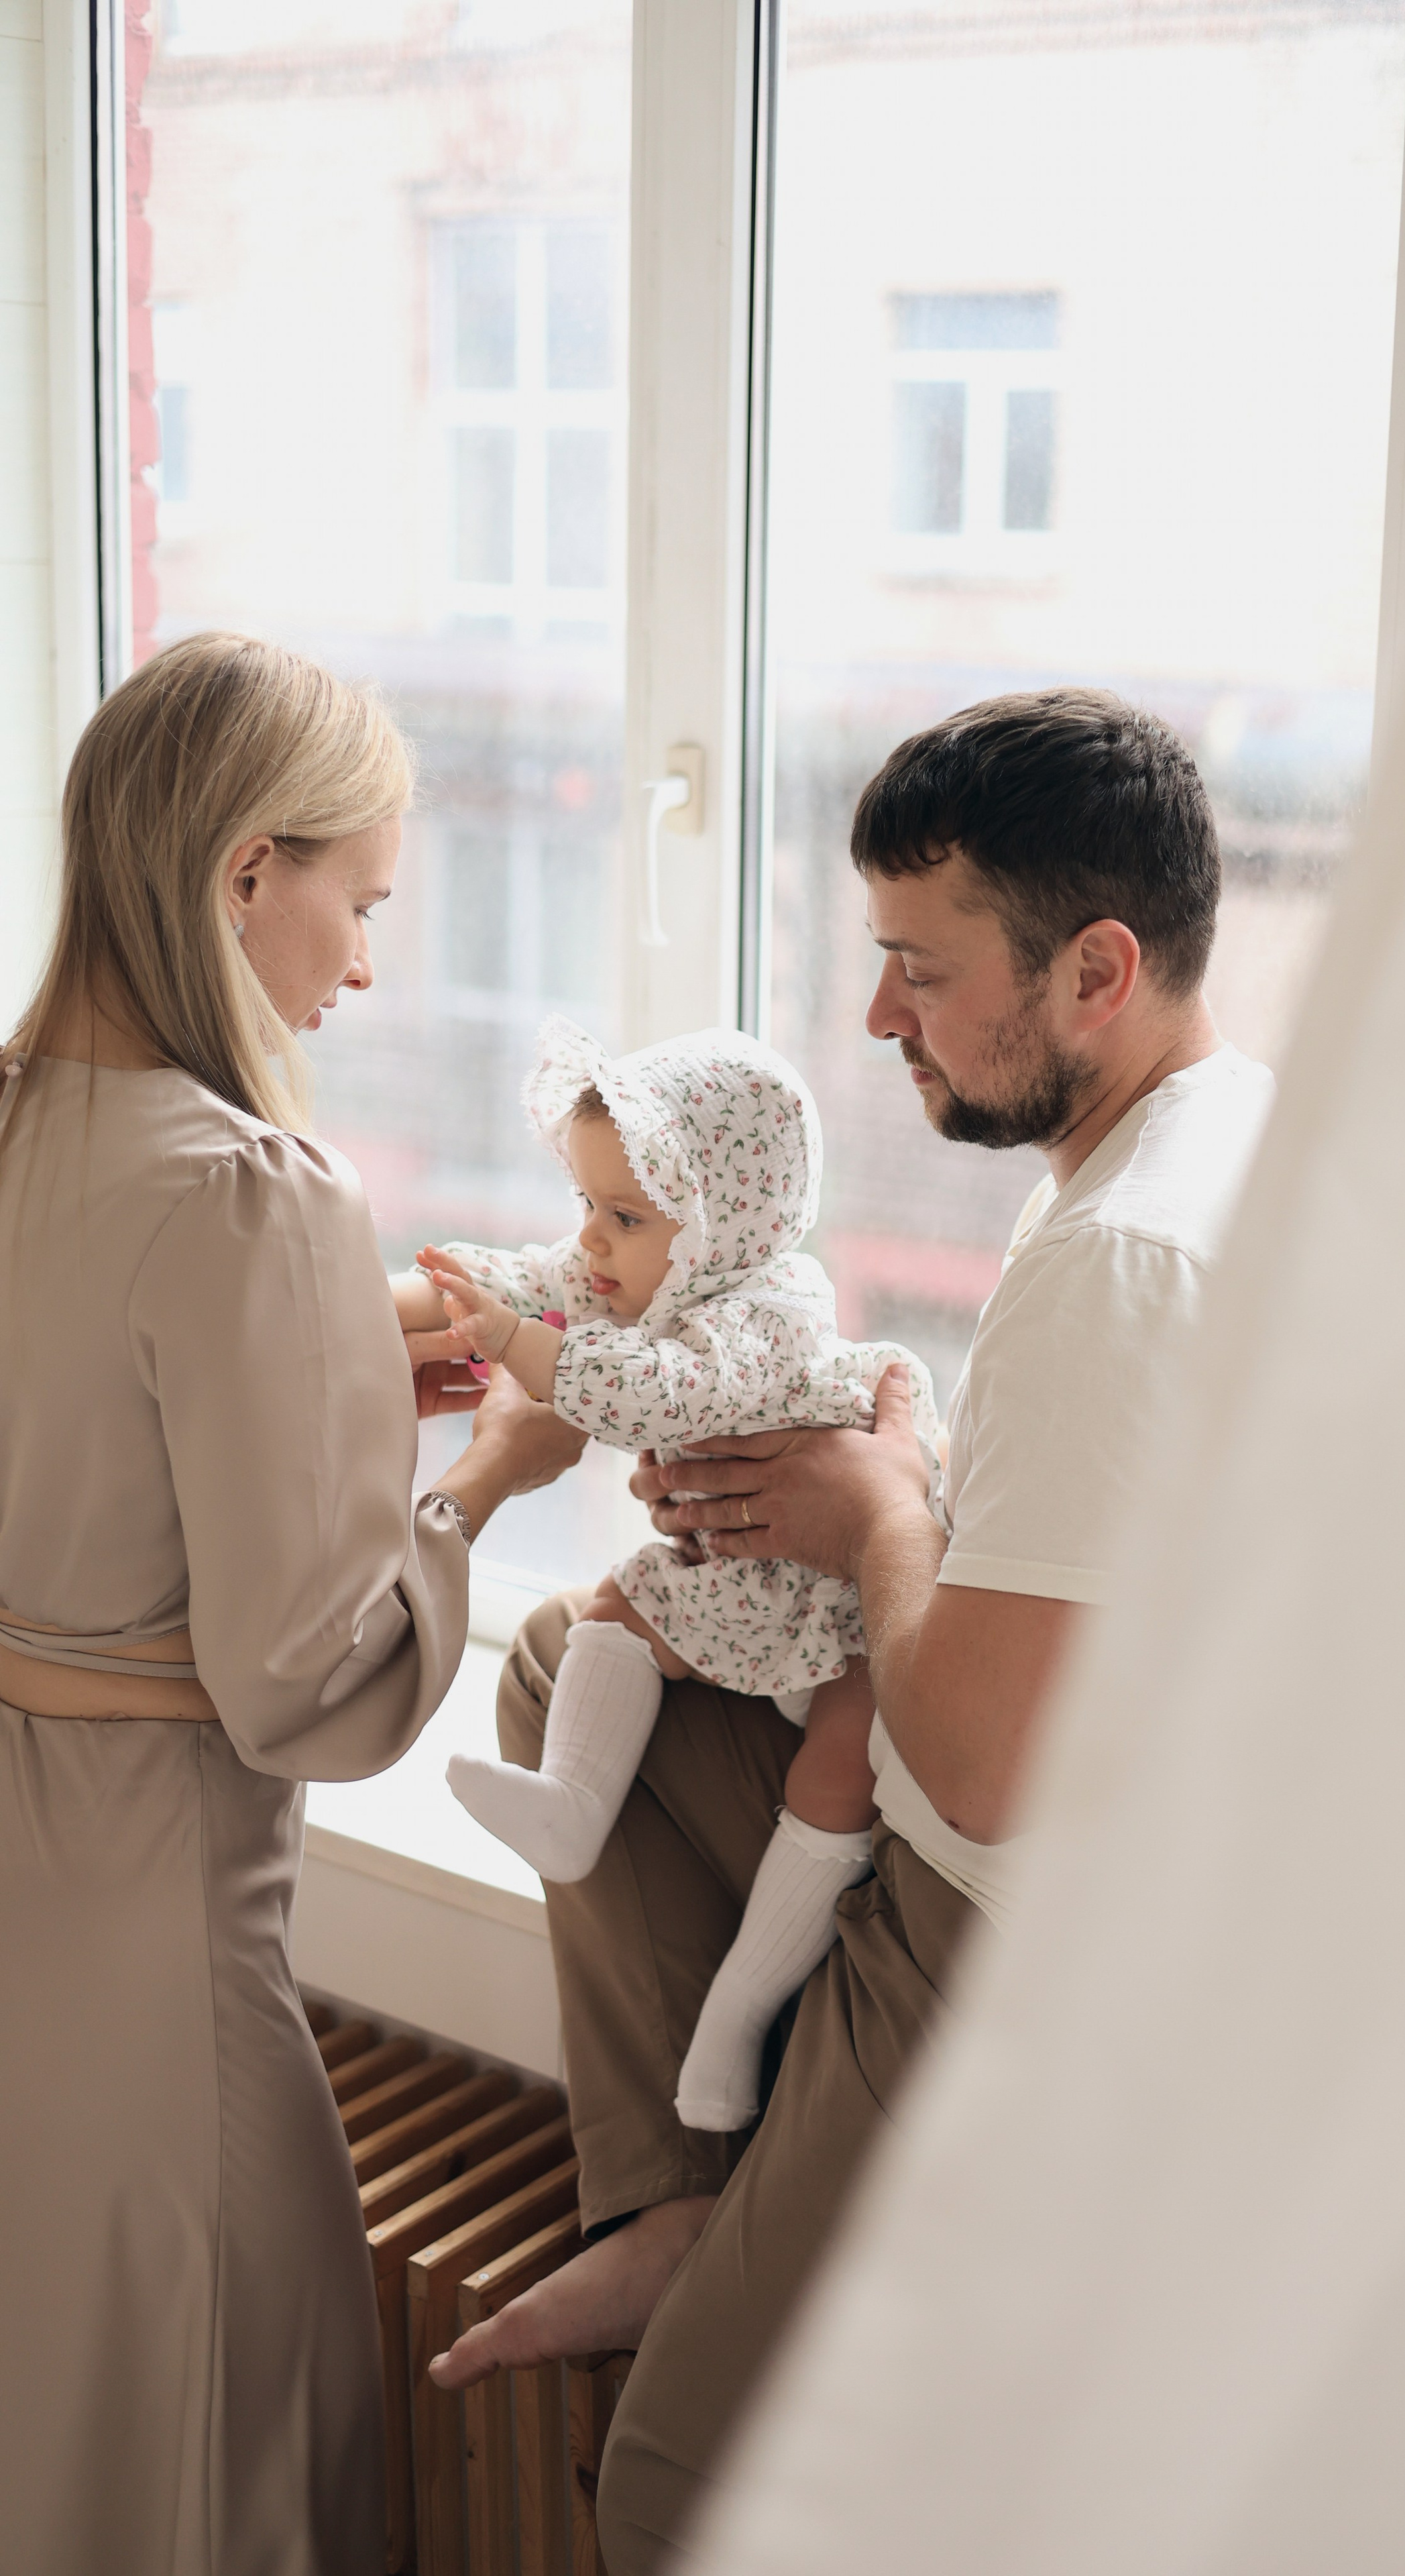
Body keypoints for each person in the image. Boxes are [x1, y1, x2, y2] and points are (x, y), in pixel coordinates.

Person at [427, 687, 1279, 2574]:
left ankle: (714, 2251)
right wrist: (899, 1487)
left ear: (1096, 972)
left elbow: (975, 1758)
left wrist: (879, 1513)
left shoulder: (1123, 1258)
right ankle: (673, 2205)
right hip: (1106, 1845)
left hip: (1008, 1921)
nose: (878, 1014)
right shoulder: (1236, 1143)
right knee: (579, 1656)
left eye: (916, 966)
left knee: (669, 2490)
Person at [0, 633, 585, 2576]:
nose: (365, 963)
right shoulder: (253, 1189)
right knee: (217, 2449)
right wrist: (482, 1478)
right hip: (157, 1977)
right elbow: (314, 1690)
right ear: (249, 868)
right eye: (365, 899)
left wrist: (339, 1366)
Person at [394, 1018, 939, 2129]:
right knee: (618, 1606)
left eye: (624, 1216)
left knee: (843, 1757)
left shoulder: (768, 1310)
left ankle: (740, 2012)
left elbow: (656, 1396)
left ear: (722, 1221)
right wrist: (424, 1299)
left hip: (838, 1604)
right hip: (734, 1577)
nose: (592, 1239)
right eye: (588, 1204)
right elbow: (539, 1279)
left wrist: (514, 1342)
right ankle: (572, 1806)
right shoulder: (644, 1267)